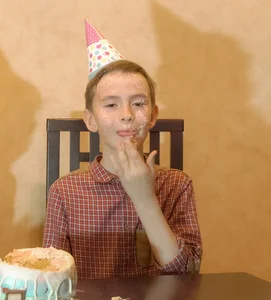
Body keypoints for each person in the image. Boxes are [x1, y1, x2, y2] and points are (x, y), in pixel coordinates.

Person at [43, 20, 202, 279]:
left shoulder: (177, 185)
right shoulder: (65, 192)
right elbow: (52, 278)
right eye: (111, 105)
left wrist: (144, 198)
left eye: (138, 103)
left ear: (152, 116)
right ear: (91, 120)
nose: (127, 115)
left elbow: (187, 274)